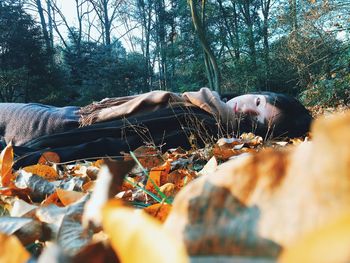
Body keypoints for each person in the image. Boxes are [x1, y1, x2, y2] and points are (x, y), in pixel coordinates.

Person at [1, 88, 311, 167]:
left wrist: (30, 156)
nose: (245, 108)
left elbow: (115, 142)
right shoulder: (206, 102)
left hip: (59, 125)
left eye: (256, 118)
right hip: (70, 114)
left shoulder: (201, 122)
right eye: (257, 101)